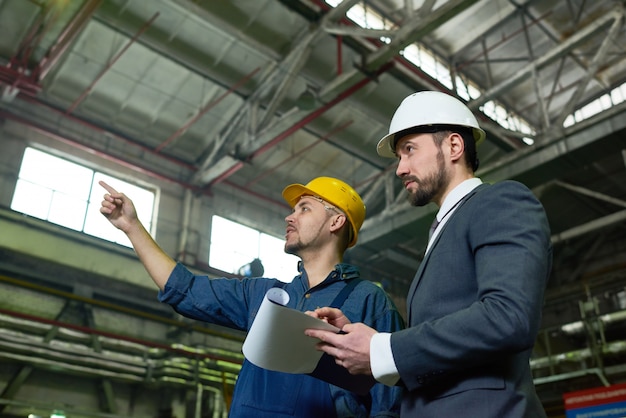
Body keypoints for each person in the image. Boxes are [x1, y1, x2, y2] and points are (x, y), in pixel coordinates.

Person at [305, 91, 553, 417]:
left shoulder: (500, 201)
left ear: (453, 146)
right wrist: (363, 344)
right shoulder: (442, 231)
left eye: (409, 150)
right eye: (398, 157)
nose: (400, 168)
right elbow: (444, 351)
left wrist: (385, 349)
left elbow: (508, 317)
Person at [99, 176, 404, 418]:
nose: (290, 216)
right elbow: (186, 289)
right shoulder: (263, 295)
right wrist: (132, 227)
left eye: (305, 208)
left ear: (336, 222)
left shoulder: (370, 302)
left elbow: (388, 404)